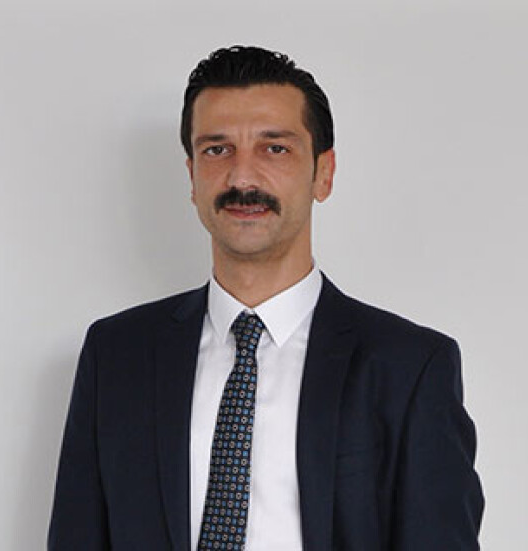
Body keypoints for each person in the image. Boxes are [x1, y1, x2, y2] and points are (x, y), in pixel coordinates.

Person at [48, 45, 484, 551]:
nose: (242, 177)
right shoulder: (116, 355)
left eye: (274, 148)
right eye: (217, 150)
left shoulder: (409, 367)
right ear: (191, 177)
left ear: (324, 173)